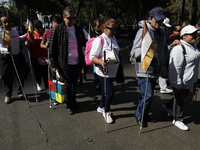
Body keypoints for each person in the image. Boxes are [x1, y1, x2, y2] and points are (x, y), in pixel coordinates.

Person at [130, 7, 168, 127]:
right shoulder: (143, 31)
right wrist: (147, 49)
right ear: (150, 19)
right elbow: (133, 52)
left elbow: (164, 49)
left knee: (149, 96)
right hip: (144, 70)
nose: (159, 22)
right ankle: (139, 114)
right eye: (157, 20)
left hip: (156, 69)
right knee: (148, 95)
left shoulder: (161, 32)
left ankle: (144, 114)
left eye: (161, 19)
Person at [90, 18, 131, 124]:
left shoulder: (113, 39)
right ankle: (106, 111)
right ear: (104, 28)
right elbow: (92, 57)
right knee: (110, 92)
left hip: (113, 71)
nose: (114, 31)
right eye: (112, 29)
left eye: (115, 29)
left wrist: (127, 48)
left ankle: (101, 107)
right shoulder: (99, 40)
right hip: (103, 72)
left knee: (106, 91)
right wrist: (100, 62)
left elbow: (117, 52)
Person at [49, 7, 87, 115]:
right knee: (68, 84)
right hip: (64, 63)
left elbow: (83, 43)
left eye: (74, 18)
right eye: (70, 18)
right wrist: (54, 64)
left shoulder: (78, 29)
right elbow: (52, 48)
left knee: (74, 84)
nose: (72, 20)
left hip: (77, 62)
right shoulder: (58, 29)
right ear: (64, 17)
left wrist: (92, 41)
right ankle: (69, 104)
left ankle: (73, 100)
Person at [168, 25, 200, 130]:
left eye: (195, 33)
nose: (194, 36)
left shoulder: (193, 46)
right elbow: (175, 68)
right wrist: (176, 83)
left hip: (189, 80)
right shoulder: (179, 48)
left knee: (182, 97)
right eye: (192, 34)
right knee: (179, 100)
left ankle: (167, 106)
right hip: (181, 81)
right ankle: (177, 119)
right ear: (184, 36)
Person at [0, 16, 29, 104]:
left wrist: (26, 35)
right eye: (4, 22)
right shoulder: (1, 33)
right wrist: (6, 50)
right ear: (1, 24)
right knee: (7, 77)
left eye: (8, 21)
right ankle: (8, 94)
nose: (7, 24)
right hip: (6, 58)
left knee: (20, 75)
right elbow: (0, 47)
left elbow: (18, 38)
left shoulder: (14, 31)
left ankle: (20, 92)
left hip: (18, 56)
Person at [25, 20, 49, 94]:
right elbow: (28, 46)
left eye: (40, 27)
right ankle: (38, 83)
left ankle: (47, 87)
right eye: (36, 27)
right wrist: (27, 43)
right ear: (34, 27)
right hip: (35, 56)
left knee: (46, 73)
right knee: (38, 72)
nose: (38, 29)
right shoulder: (31, 35)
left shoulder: (45, 34)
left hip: (45, 56)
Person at [159, 18, 173, 94]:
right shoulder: (160, 32)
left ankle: (163, 86)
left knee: (162, 70)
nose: (166, 28)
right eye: (165, 26)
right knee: (162, 71)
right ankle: (163, 87)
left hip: (163, 53)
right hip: (160, 55)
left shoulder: (162, 32)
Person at [92, 19, 103, 91]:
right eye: (98, 26)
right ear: (94, 27)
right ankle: (97, 83)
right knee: (95, 70)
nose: (100, 28)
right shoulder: (91, 35)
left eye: (101, 26)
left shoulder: (103, 34)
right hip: (94, 56)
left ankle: (101, 83)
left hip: (102, 55)